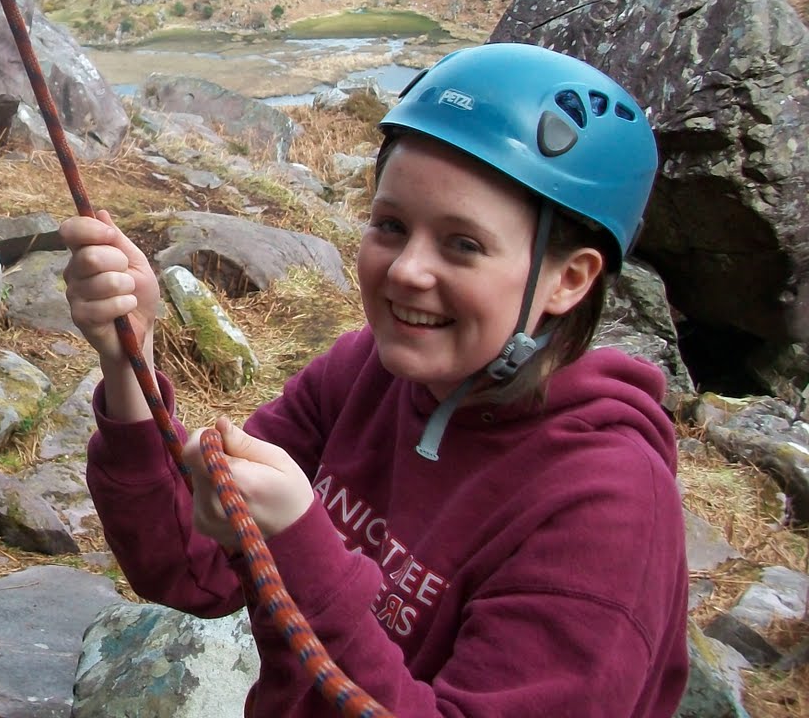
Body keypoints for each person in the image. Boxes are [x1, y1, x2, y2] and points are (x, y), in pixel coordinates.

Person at [62, 42, 688, 716]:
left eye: (463, 245)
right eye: (390, 225)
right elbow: (187, 564)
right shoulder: (367, 375)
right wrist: (131, 359)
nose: (406, 270)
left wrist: (303, 544)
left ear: (568, 279)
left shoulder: (606, 510)